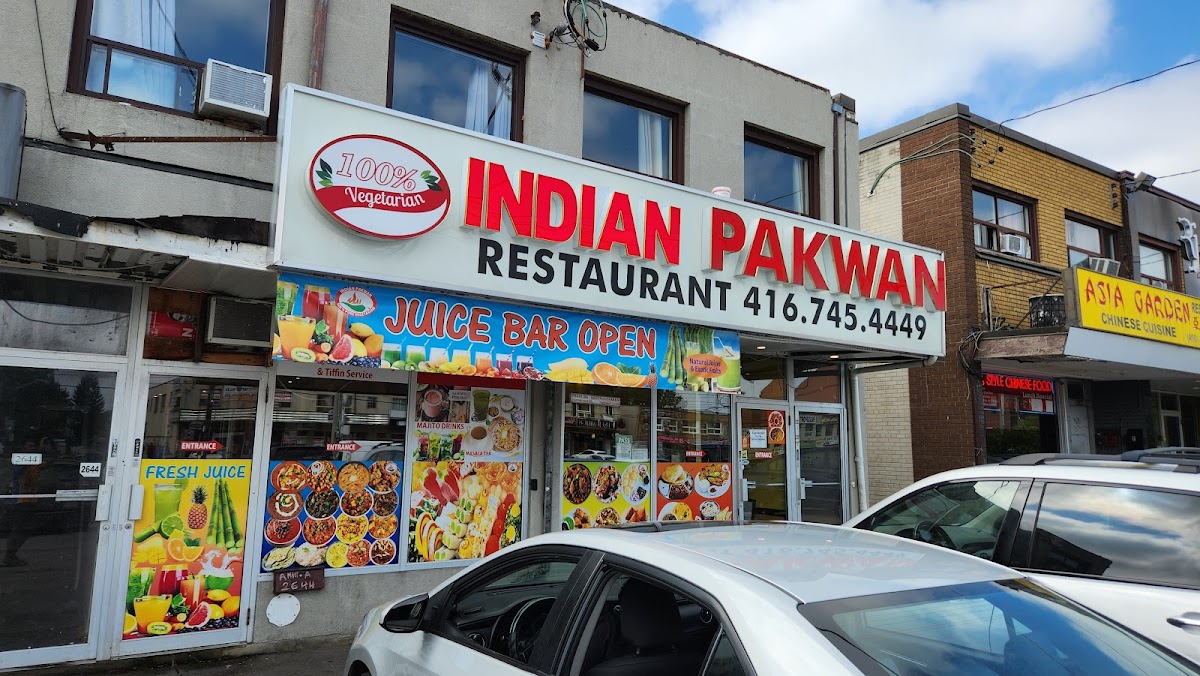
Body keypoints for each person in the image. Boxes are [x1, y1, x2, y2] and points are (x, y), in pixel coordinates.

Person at [3, 439, 42, 567]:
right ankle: (9, 556)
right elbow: (16, 473)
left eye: (34, 446)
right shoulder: (21, 462)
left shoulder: (35, 462)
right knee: (19, 529)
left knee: (26, 530)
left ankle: (11, 555)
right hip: (20, 500)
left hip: (30, 499)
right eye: (30, 446)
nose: (32, 448)